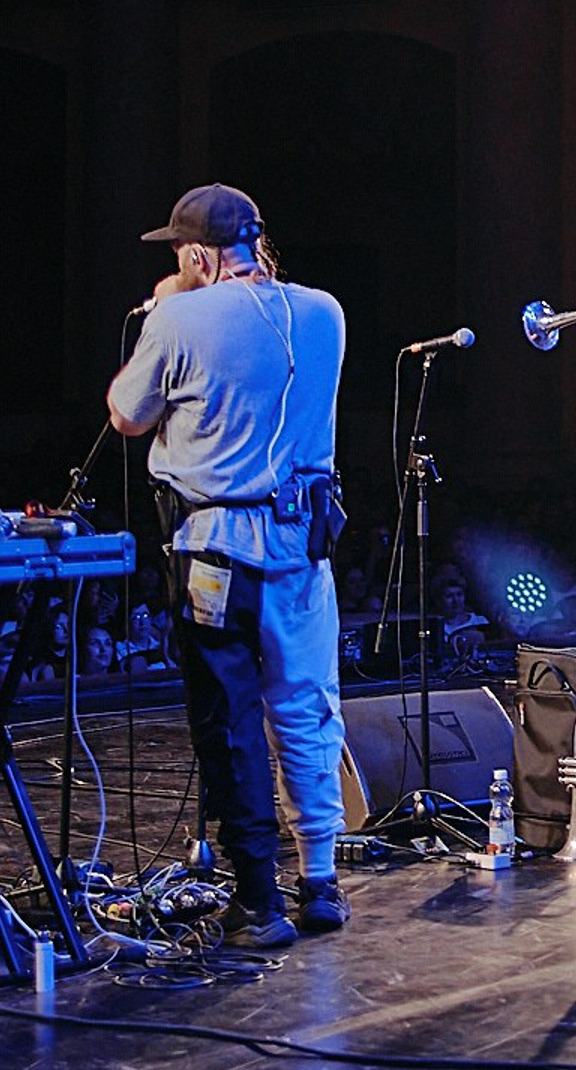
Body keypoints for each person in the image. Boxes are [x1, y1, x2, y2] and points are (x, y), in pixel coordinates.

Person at [106, 183, 351, 946]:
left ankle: (258, 901)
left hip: (218, 554)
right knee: (309, 710)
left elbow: (126, 414)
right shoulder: (324, 311)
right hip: (304, 550)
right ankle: (319, 882)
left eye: (182, 256)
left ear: (201, 256)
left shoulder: (180, 314)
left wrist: (169, 303)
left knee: (235, 722)